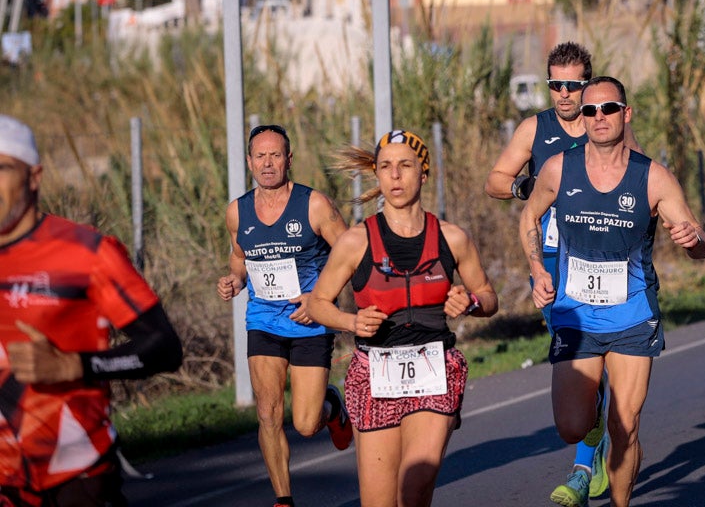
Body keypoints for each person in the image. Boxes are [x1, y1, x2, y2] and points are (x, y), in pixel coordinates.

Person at [520, 77, 705, 507]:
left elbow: (700, 242)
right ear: (581, 118)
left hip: (632, 314)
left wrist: (694, 240)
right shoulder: (557, 168)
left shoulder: (653, 177)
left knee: (627, 426)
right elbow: (529, 217)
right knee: (570, 427)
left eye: (609, 109)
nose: (599, 117)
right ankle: (592, 426)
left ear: (627, 114)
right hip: (576, 316)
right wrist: (537, 267)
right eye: (590, 111)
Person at [485, 42, 640, 507]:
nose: (565, 95)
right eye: (556, 85)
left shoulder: (606, 123)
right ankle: (593, 430)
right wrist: (524, 186)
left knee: (603, 347)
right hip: (554, 258)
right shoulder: (536, 128)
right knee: (574, 354)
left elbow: (640, 178)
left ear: (588, 83)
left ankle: (581, 467)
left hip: (605, 259)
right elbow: (494, 180)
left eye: (573, 84)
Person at [0, 114, 183, 506]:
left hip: (74, 475)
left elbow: (164, 346)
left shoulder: (86, 252)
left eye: (2, 168)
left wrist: (75, 365)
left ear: (34, 176)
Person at [308, 129, 498, 507]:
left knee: (413, 489)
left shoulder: (452, 238)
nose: (395, 176)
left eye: (405, 166)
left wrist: (471, 301)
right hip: (375, 372)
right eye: (386, 167)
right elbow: (317, 303)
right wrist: (351, 322)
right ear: (377, 176)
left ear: (423, 174)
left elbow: (490, 298)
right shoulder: (356, 241)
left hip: (434, 370)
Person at [216, 124, 353, 507]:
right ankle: (283, 499)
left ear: (289, 159)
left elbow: (350, 255)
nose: (268, 163)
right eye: (260, 156)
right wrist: (233, 281)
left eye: (275, 155)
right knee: (267, 412)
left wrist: (319, 297)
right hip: (263, 319)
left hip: (309, 321)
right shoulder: (237, 211)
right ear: (249, 162)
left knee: (306, 424)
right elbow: (239, 259)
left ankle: (332, 405)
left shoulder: (314, 205)